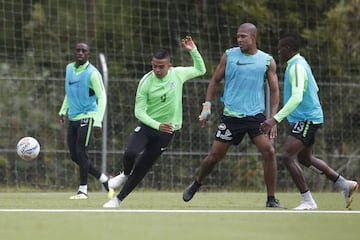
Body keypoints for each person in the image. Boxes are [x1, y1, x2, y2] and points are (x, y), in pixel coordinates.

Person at [182, 23, 282, 208]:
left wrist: (273, 118)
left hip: (255, 117)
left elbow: (275, 91)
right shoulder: (229, 55)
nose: (239, 40)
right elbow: (214, 80)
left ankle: (271, 199)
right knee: (214, 156)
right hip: (231, 117)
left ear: (253, 38)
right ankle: (196, 183)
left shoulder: (267, 60)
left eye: (243, 36)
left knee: (269, 151)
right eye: (238, 36)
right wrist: (207, 106)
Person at [103, 36, 206, 208]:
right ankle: (125, 173)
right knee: (130, 153)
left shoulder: (178, 74)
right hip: (148, 126)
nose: (157, 70)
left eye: (161, 67)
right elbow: (139, 112)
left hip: (166, 133)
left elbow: (201, 69)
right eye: (154, 66)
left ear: (169, 66)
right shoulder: (146, 82)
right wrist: (157, 124)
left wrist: (193, 51)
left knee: (143, 166)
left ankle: (117, 200)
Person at [260, 32, 358, 210]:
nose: (278, 52)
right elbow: (315, 87)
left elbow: (297, 97)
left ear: (288, 49)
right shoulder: (300, 63)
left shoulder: (297, 66)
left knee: (288, 156)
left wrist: (274, 119)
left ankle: (308, 201)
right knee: (305, 158)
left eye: (280, 49)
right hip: (307, 118)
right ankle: (345, 184)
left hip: (307, 119)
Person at [58, 42, 111, 200]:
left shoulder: (93, 73)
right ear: (74, 52)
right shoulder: (69, 69)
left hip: (88, 116)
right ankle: (104, 179)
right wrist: (62, 110)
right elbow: (69, 92)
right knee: (75, 156)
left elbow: (102, 97)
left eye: (84, 51)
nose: (80, 53)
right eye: (78, 50)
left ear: (88, 54)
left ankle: (83, 190)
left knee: (81, 151)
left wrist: (98, 121)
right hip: (73, 118)